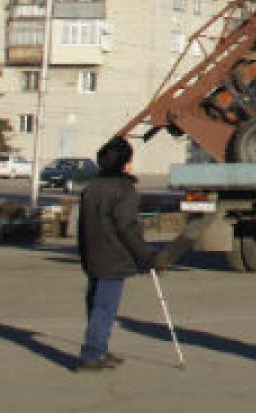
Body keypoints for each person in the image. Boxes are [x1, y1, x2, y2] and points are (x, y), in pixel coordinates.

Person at [74, 136, 158, 372]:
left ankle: (98, 347)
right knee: (105, 306)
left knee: (95, 303)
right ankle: (92, 353)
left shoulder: (91, 188)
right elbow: (128, 227)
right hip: (114, 257)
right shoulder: (124, 190)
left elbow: (82, 225)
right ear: (123, 164)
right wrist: (145, 256)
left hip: (93, 254)